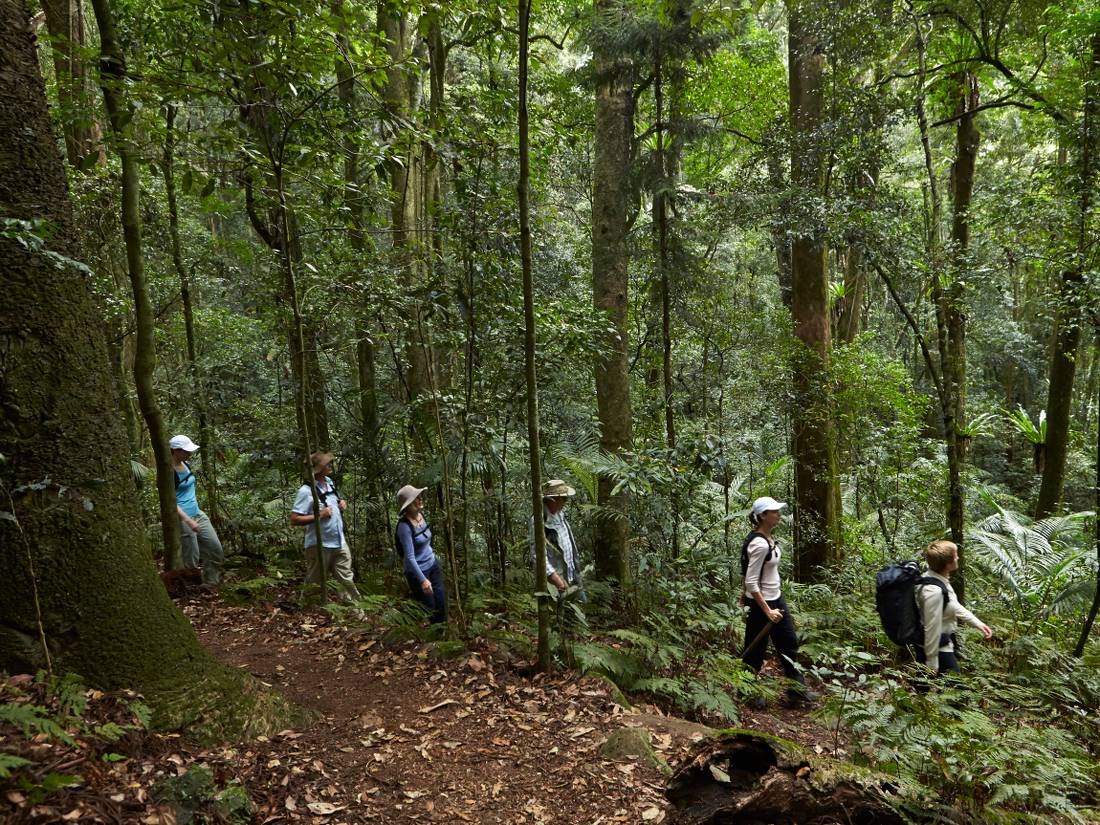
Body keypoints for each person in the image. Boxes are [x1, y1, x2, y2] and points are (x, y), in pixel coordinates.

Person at [740, 496, 817, 705]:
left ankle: (796, 691)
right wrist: (767, 610)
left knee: (789, 643)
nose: (778, 514)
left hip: (776, 598)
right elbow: (751, 581)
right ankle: (747, 692)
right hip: (761, 604)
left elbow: (748, 571)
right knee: (755, 650)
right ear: (763, 516)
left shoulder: (768, 539)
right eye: (774, 511)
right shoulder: (759, 544)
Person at [291, 452, 360, 602]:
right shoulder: (306, 491)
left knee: (346, 580)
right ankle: (309, 613)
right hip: (319, 545)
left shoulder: (329, 482)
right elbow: (294, 519)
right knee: (314, 585)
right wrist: (320, 515)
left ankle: (356, 615)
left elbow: (333, 503)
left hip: (339, 541)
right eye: (326, 464)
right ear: (317, 469)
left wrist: (341, 504)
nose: (330, 465)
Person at [917, 540, 993, 675]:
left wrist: (977, 623)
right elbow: (931, 628)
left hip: (937, 645)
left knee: (923, 689)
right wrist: (932, 663)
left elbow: (952, 604)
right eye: (955, 555)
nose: (958, 557)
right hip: (935, 648)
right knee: (956, 689)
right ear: (948, 564)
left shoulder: (936, 578)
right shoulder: (934, 591)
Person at [170, 434, 223, 586]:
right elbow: (170, 502)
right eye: (186, 451)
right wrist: (188, 520)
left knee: (215, 549)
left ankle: (210, 584)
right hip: (183, 518)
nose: (190, 454)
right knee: (191, 558)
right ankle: (190, 590)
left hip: (197, 513)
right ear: (176, 450)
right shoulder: (169, 472)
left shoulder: (186, 464)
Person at [395, 484, 446, 624]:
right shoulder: (404, 527)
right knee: (430, 607)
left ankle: (445, 638)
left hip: (433, 565)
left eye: (419, 497)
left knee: (441, 602)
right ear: (409, 504)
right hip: (418, 572)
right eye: (416, 498)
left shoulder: (422, 516)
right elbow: (410, 558)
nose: (420, 499)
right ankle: (430, 638)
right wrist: (423, 580)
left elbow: (427, 542)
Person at [530, 479, 586, 602]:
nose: (565, 502)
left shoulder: (560, 514)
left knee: (582, 608)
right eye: (563, 499)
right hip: (558, 580)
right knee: (562, 615)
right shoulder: (539, 520)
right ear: (552, 499)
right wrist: (556, 579)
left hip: (572, 575)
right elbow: (537, 555)